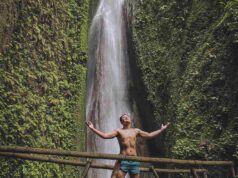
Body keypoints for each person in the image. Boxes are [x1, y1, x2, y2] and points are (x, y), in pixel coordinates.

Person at [86, 113, 170, 178]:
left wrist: (161, 130)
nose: (126, 117)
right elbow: (105, 136)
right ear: (122, 122)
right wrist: (92, 128)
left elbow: (149, 135)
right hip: (123, 160)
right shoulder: (119, 131)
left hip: (135, 160)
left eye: (127, 116)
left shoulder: (136, 131)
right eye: (124, 117)